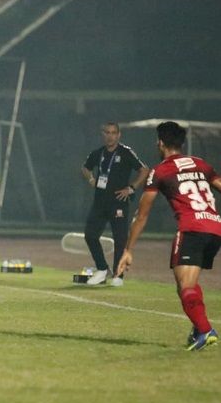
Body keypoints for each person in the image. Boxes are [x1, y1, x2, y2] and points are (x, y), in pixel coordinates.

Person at [117, 121, 221, 351]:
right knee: (187, 283)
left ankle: (205, 331)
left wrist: (128, 250)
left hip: (192, 228)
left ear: (160, 143)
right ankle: (198, 329)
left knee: (185, 287)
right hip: (215, 228)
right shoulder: (200, 164)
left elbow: (141, 216)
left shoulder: (160, 171)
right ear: (181, 143)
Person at [81, 122, 149, 286]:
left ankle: (118, 276)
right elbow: (85, 167)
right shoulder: (98, 153)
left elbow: (144, 170)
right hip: (100, 202)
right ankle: (102, 269)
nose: (110, 136)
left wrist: (131, 188)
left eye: (113, 133)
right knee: (90, 235)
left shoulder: (126, 152)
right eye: (107, 132)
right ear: (102, 134)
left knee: (120, 239)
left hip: (119, 202)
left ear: (118, 135)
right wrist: (91, 180)